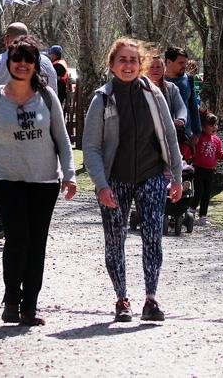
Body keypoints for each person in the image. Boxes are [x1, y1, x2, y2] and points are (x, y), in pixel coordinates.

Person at [0, 37, 77, 327]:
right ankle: (11, 300)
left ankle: (30, 305)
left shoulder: (47, 97)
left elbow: (63, 140)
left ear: (35, 65)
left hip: (44, 181)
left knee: (37, 242)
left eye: (28, 60)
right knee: (17, 239)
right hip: (6, 179)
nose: (22, 64)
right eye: (17, 59)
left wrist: (69, 174)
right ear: (9, 61)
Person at [83, 38, 183, 323]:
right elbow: (90, 147)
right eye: (122, 60)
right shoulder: (101, 98)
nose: (128, 65)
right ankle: (121, 298)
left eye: (132, 60)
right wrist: (101, 185)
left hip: (150, 175)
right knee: (115, 240)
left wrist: (175, 177)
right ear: (112, 65)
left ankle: (151, 298)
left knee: (153, 235)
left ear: (141, 65)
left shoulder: (154, 95)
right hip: (115, 179)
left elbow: (169, 136)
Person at [0, 22, 58, 241]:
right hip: (39, 128)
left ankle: (4, 218)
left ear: (6, 39)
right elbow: (54, 97)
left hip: (4, 128)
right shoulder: (47, 64)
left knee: (4, 171)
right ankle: (24, 219)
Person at [192, 110, 223, 226]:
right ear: (203, 127)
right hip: (198, 168)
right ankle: (191, 210)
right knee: (198, 191)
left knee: (207, 193)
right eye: (211, 125)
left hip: (210, 170)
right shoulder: (198, 137)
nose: (214, 127)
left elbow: (219, 153)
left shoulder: (217, 140)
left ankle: (203, 216)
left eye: (216, 124)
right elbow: (191, 147)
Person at [164, 46, 201, 146]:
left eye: (185, 62)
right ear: (168, 62)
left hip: (185, 136)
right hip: (164, 137)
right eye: (181, 63)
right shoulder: (158, 80)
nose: (184, 66)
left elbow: (193, 106)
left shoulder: (188, 79)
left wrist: (197, 133)